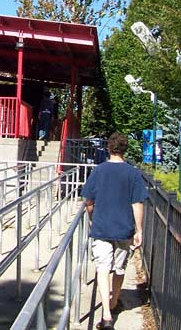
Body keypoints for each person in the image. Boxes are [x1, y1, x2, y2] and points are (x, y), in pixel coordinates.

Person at [81, 132, 148, 329]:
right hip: (124, 229)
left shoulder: (99, 171)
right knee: (119, 269)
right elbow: (137, 203)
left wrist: (92, 217)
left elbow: (89, 202)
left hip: (102, 227)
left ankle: (107, 315)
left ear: (109, 148)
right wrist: (139, 230)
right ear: (125, 149)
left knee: (102, 268)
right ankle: (114, 301)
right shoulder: (133, 173)